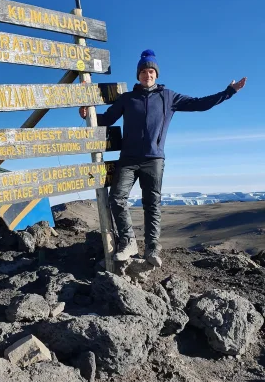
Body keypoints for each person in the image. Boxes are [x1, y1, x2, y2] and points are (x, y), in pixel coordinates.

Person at [79, 50, 246, 267]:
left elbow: (200, 104)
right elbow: (107, 119)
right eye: (143, 72)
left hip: (154, 160)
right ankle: (128, 242)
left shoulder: (168, 97)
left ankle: (152, 248)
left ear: (155, 74)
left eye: (150, 71)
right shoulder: (127, 99)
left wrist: (229, 92)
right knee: (117, 198)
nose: (147, 75)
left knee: (152, 204)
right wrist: (87, 116)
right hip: (128, 159)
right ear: (138, 75)